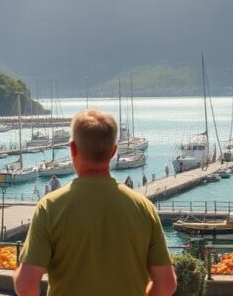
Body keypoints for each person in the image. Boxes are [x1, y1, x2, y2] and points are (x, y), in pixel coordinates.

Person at [15, 109, 176, 296]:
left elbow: (26, 285)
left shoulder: (50, 207)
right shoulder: (143, 207)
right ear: (114, 151)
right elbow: (166, 284)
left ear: (72, 149)